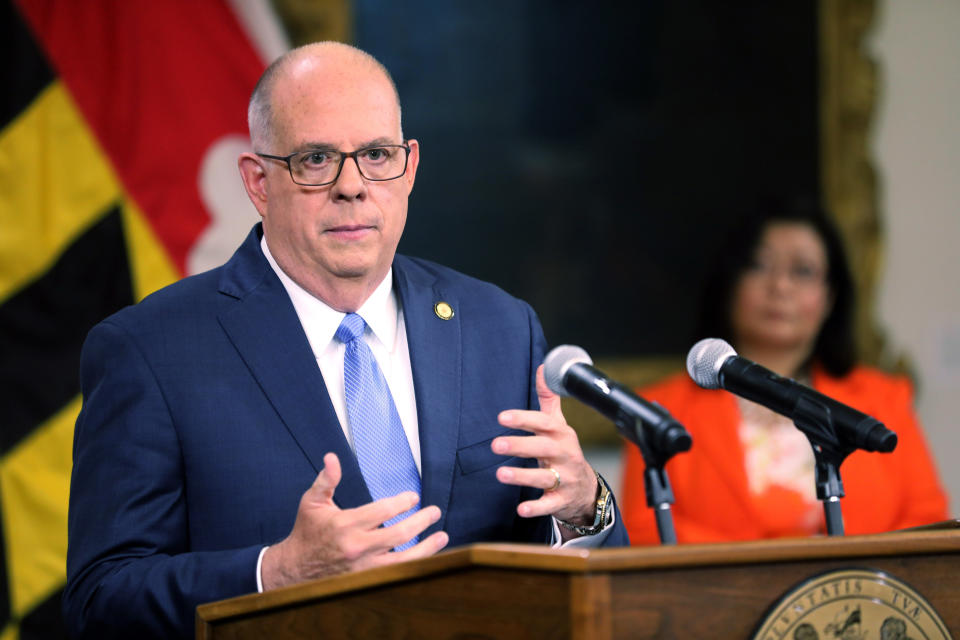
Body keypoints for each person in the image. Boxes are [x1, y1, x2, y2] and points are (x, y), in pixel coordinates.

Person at [63, 42, 628, 638]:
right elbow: (100, 601)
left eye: (376, 154)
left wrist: (582, 507)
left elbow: (590, 585)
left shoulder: (499, 326)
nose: (352, 186)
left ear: (409, 168)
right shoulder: (150, 350)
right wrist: (275, 573)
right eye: (315, 160)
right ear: (258, 183)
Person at [620, 201, 948, 544]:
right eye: (759, 266)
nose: (780, 287)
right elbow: (644, 531)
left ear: (829, 297)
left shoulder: (884, 398)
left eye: (803, 271)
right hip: (720, 596)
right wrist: (771, 563)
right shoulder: (659, 407)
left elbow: (927, 521)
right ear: (730, 284)